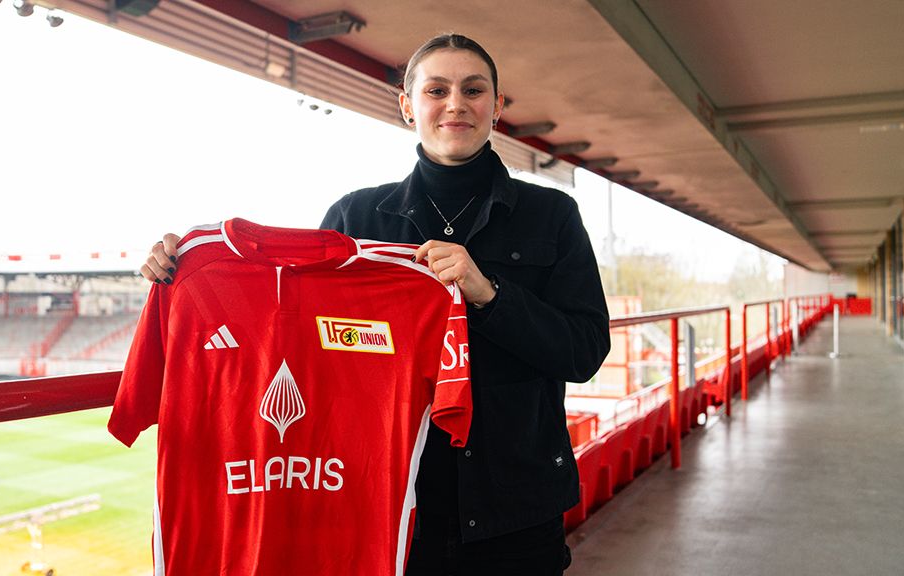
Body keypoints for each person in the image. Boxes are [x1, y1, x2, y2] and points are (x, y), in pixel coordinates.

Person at [141, 33, 610, 576]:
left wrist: (488, 293)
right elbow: (289, 332)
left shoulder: (551, 214)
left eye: (474, 90)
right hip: (383, 507)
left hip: (516, 509)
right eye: (437, 90)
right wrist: (183, 270)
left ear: (497, 107)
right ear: (409, 106)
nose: (456, 104)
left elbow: (583, 352)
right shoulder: (355, 218)